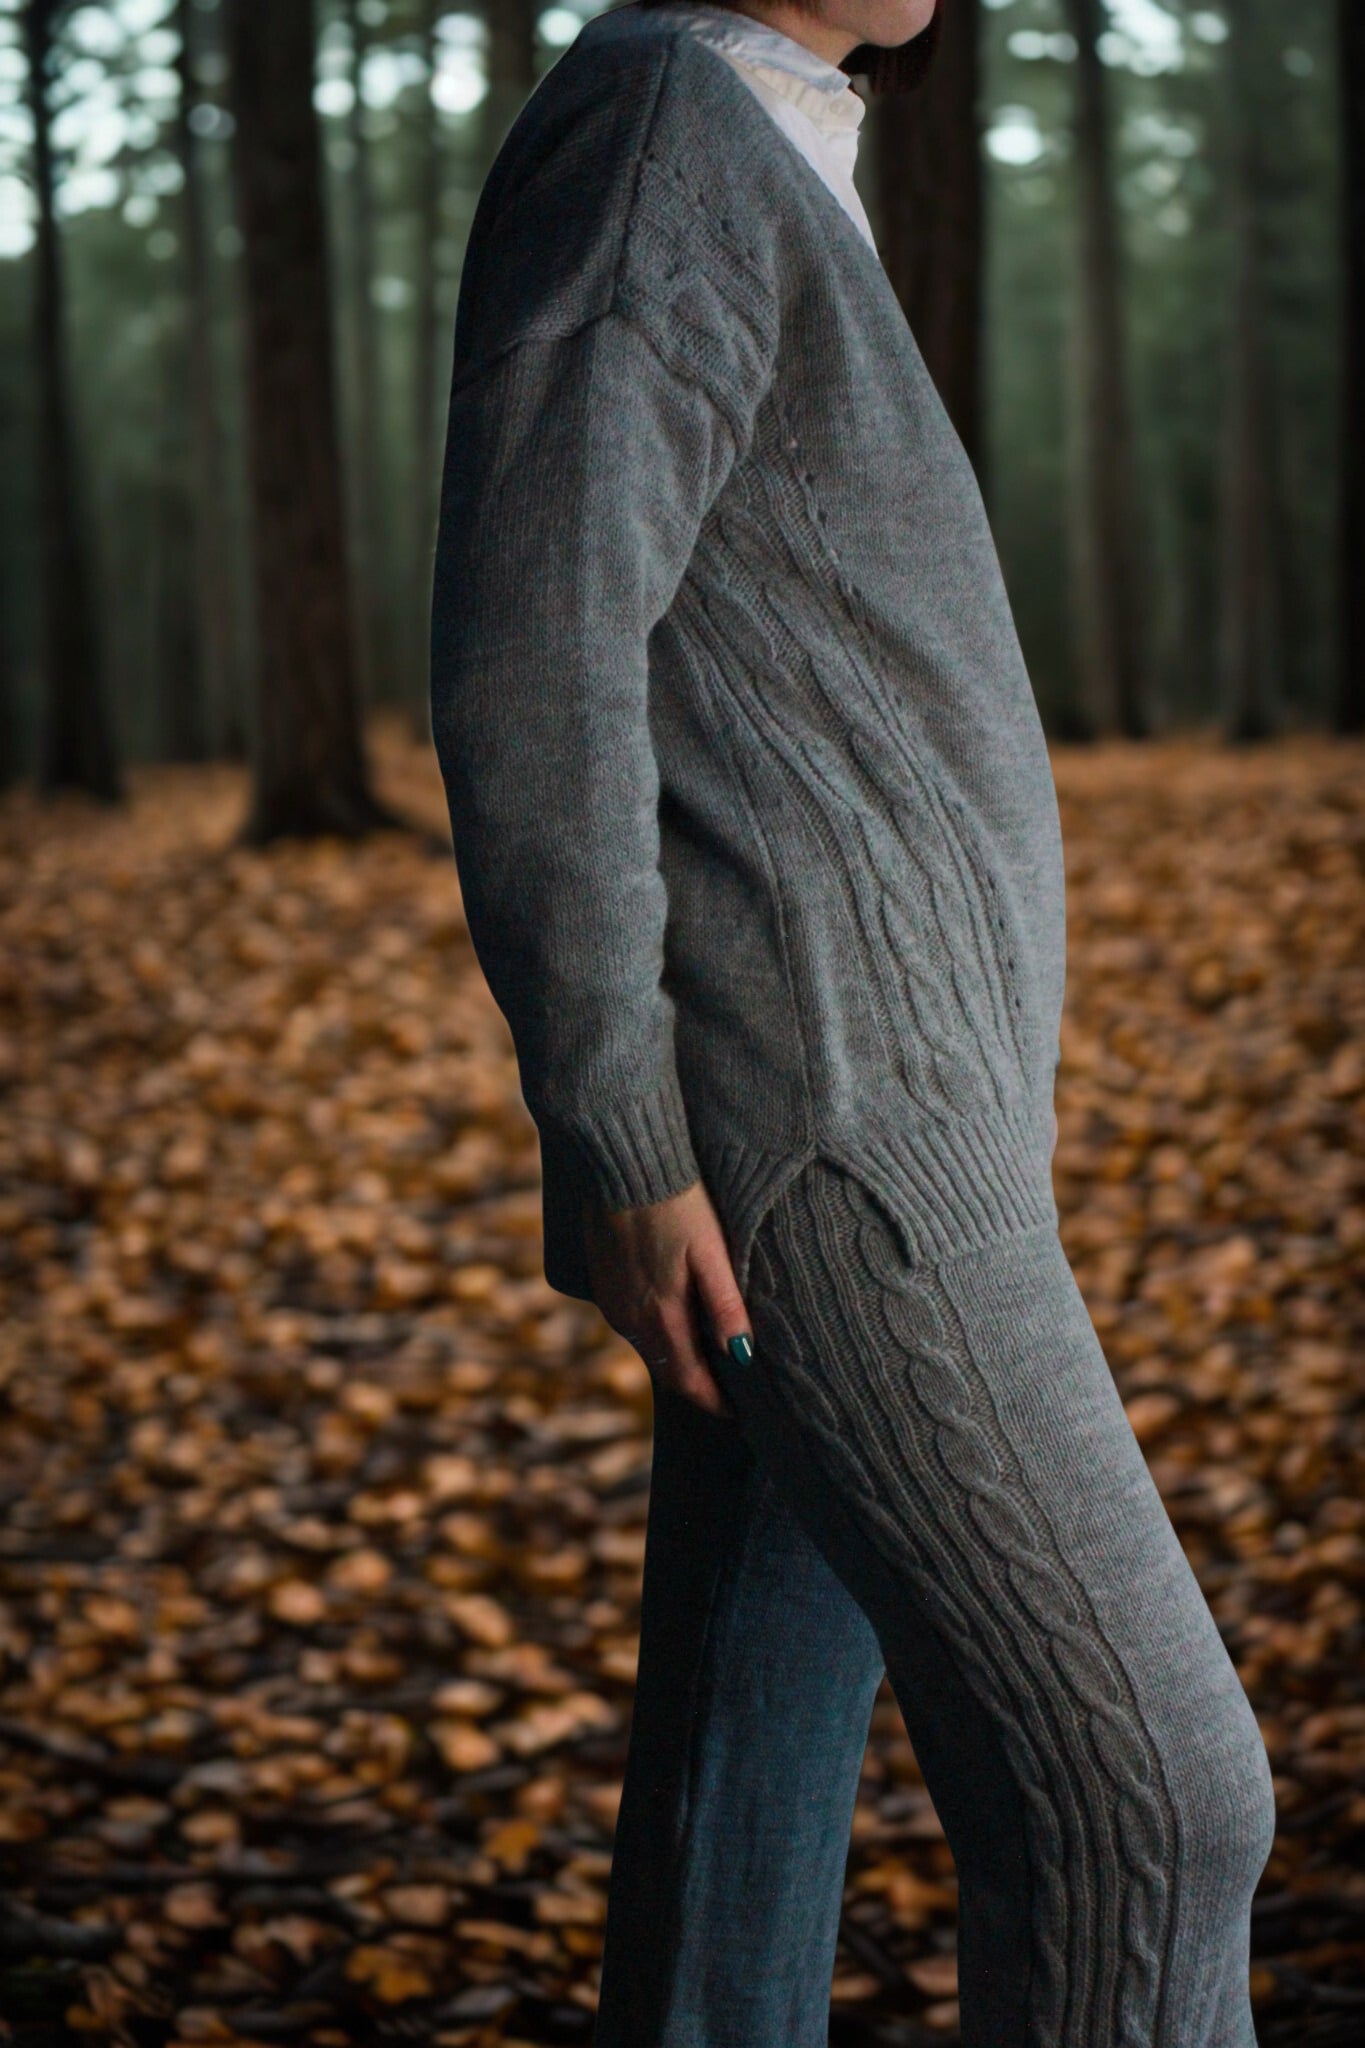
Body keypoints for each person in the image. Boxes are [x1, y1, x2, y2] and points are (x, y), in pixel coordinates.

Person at [427, 3, 1277, 2042]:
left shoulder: (761, 130)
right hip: (838, 1142)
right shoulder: (662, 128)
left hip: (885, 1119)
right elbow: (538, 650)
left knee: (745, 1796)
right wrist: (619, 1128)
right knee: (1148, 1814)